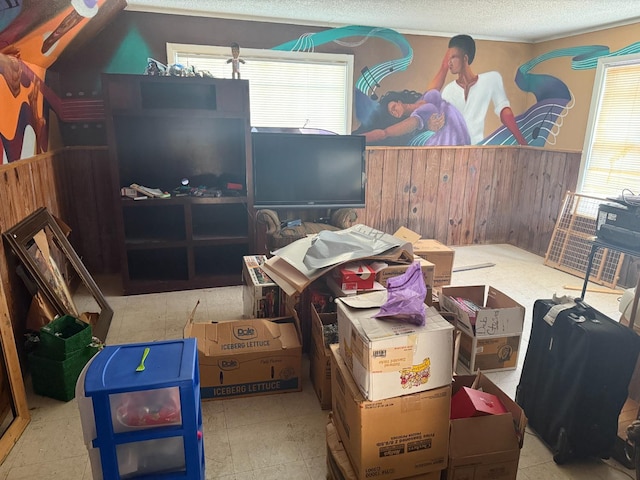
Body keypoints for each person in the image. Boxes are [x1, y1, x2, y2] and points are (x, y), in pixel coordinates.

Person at [427, 34, 527, 145]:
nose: (449, 62)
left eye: (454, 57)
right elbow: (443, 123)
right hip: (454, 151)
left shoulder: (491, 79)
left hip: (478, 149)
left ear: (465, 58)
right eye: (448, 58)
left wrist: (522, 141)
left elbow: (504, 111)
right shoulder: (448, 90)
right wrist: (431, 125)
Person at [356, 88, 471, 146]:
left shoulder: (425, 103)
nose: (394, 112)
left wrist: (354, 139)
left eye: (394, 107)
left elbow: (384, 133)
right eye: (392, 113)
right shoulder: (420, 114)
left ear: (399, 101)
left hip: (458, 139)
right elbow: (384, 133)